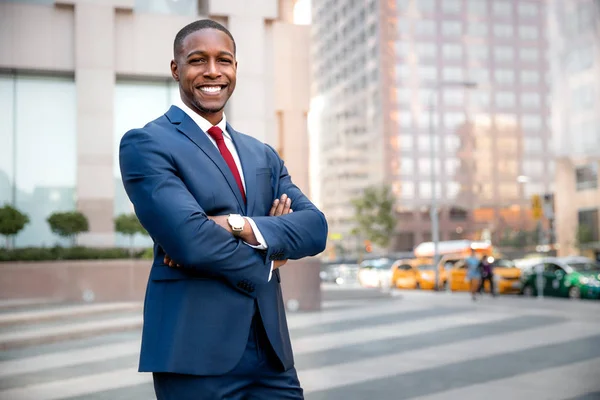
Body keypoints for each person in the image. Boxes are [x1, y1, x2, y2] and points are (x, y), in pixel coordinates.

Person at [119, 19, 328, 400]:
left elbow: (315, 229)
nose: (213, 72)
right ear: (176, 69)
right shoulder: (147, 144)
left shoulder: (261, 153)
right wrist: (271, 257)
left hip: (272, 357)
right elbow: (190, 241)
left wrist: (240, 225)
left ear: (235, 69)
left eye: (224, 60)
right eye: (198, 60)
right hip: (194, 355)